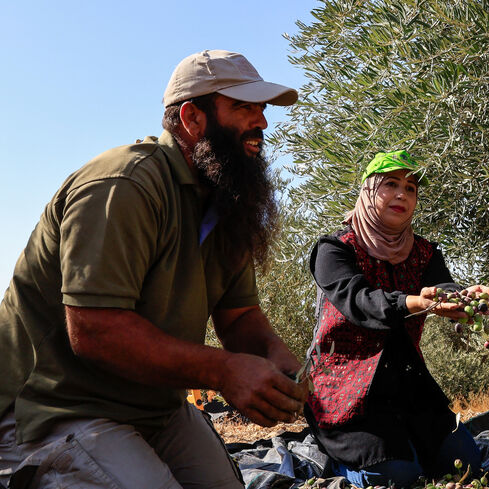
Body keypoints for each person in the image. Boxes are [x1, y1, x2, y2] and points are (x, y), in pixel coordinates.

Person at [0, 50, 308, 489]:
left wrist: (275, 358)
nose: (260, 122)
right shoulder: (124, 185)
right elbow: (95, 330)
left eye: (261, 110)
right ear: (192, 118)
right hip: (54, 407)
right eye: (243, 107)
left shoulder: (228, 200)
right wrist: (224, 371)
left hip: (152, 406)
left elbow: (239, 316)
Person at [303, 150, 489, 488]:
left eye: (410, 188)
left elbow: (442, 286)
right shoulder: (334, 250)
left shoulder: (425, 252)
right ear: (367, 191)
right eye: (390, 184)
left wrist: (462, 300)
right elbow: (359, 301)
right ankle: (335, 457)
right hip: (344, 391)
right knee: (396, 477)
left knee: (466, 463)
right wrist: (413, 302)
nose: (401, 195)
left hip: (407, 386)